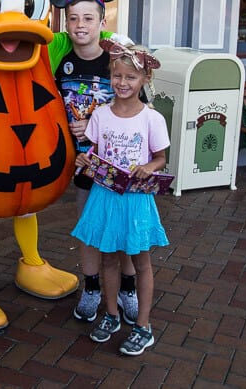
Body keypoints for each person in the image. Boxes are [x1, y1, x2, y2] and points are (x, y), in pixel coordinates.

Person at [71, 42, 170, 356]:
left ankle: (143, 325)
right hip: (105, 194)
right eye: (117, 76)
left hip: (135, 199)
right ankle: (111, 315)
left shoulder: (151, 118)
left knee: (141, 262)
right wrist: (85, 160)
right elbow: (96, 152)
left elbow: (161, 158)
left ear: (144, 81)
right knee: (109, 259)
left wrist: (148, 167)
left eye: (130, 77)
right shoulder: (100, 115)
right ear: (110, 76)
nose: (123, 83)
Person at [52, 0, 139, 326]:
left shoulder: (117, 57)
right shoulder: (61, 58)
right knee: (88, 226)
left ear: (102, 20)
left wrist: (94, 123)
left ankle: (127, 289)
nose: (80, 25)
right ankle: (91, 288)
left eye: (88, 18)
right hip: (84, 163)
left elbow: (136, 106)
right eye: (73, 18)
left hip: (119, 161)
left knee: (124, 228)